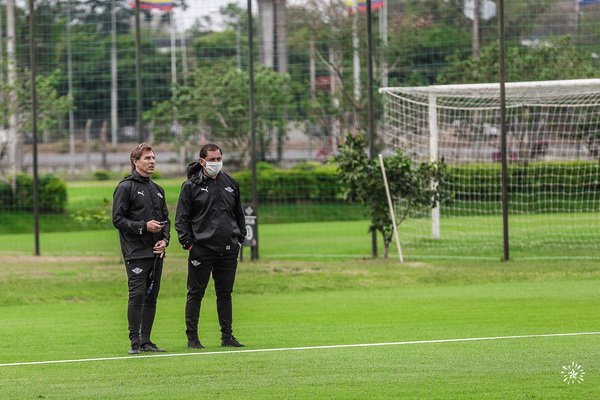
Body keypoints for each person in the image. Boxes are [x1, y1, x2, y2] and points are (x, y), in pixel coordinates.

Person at [175, 143, 247, 349]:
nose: (217, 162)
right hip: (201, 249)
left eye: (219, 159)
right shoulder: (190, 186)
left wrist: (240, 237)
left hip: (228, 249)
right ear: (202, 161)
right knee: (196, 294)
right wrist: (189, 245)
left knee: (225, 294)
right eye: (212, 159)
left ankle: (227, 337)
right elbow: (181, 219)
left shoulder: (231, 183)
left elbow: (238, 214)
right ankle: (193, 339)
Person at [113, 143, 170, 355]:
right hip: (135, 252)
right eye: (147, 158)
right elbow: (118, 220)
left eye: (153, 157)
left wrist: (165, 240)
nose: (152, 161)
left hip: (156, 252)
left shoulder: (158, 190)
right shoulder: (125, 187)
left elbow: (166, 220)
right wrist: (143, 227)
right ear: (135, 161)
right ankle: (134, 342)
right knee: (137, 295)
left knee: (151, 297)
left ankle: (146, 341)